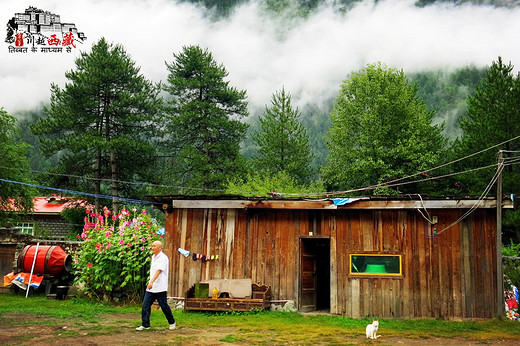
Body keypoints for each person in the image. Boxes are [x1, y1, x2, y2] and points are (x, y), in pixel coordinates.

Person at [136, 240, 176, 331]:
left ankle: (172, 322)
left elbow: (159, 270)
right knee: (145, 305)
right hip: (151, 287)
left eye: (154, 246)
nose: (152, 248)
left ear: (159, 248)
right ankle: (145, 324)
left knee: (164, 306)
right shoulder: (154, 257)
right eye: (152, 246)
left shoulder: (163, 258)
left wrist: (151, 282)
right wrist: (150, 283)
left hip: (160, 287)